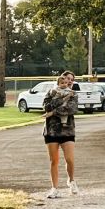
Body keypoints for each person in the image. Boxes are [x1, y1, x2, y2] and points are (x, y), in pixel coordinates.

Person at [43, 71, 80, 199]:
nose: (69, 81)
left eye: (71, 80)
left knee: (69, 159)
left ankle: (71, 180)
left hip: (67, 130)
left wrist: (53, 112)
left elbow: (71, 109)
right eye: (66, 79)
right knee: (54, 160)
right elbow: (46, 106)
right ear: (60, 80)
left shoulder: (73, 94)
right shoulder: (51, 92)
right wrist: (59, 102)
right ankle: (54, 188)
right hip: (51, 130)